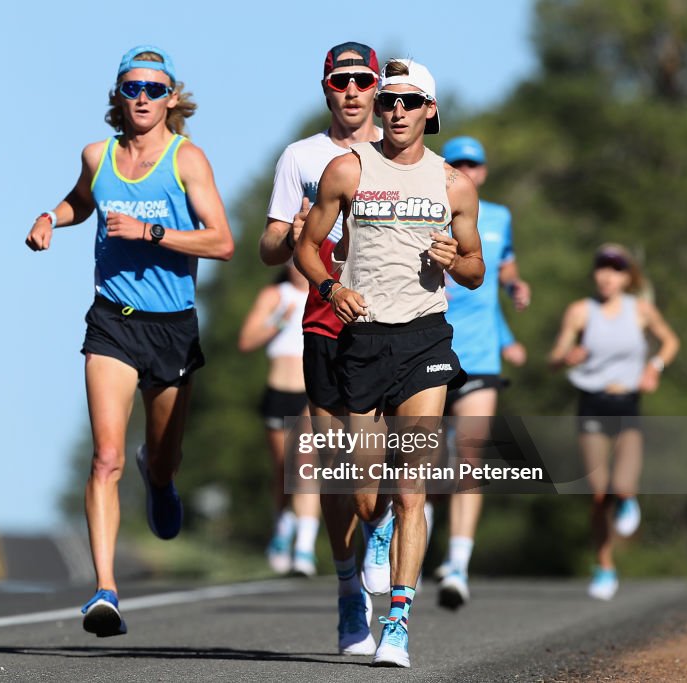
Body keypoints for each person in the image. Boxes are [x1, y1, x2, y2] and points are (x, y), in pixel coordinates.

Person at [25, 45, 233, 638]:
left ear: (171, 98)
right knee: (105, 457)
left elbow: (221, 242)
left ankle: (160, 476)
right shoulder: (99, 155)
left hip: (172, 325)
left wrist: (152, 232)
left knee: (161, 457)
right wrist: (49, 219)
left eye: (153, 89)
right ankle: (105, 590)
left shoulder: (187, 160)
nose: (142, 98)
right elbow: (80, 200)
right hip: (112, 320)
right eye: (132, 88)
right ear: (119, 96)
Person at [295, 58, 484, 668]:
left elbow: (476, 270)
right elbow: (305, 247)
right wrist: (330, 290)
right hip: (363, 338)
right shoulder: (347, 168)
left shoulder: (454, 184)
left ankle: (398, 621)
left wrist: (455, 261)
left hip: (426, 339)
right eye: (390, 102)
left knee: (413, 485)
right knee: (364, 486)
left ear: (430, 111)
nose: (397, 111)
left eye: (410, 102)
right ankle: (373, 527)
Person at [260, 41, 388, 656]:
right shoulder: (301, 157)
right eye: (342, 81)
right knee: (339, 469)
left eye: (363, 80)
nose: (353, 91)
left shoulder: (402, 154)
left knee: (380, 471)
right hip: (324, 320)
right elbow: (268, 247)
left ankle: (384, 531)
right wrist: (292, 229)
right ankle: (347, 592)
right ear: (327, 89)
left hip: (393, 324)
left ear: (378, 88)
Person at [430, 136, 531, 610]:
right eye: (458, 162)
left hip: (480, 356)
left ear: (485, 170)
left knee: (468, 457)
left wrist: (514, 288)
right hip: (427, 350)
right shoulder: (422, 207)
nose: (467, 169)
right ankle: (408, 557)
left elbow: (505, 266)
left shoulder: (500, 216)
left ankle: (458, 565)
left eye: (474, 163)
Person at [549, 244, 678, 600]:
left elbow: (670, 342)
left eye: (616, 268)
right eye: (602, 267)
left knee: (622, 485)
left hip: (628, 404)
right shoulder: (581, 311)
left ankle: (627, 499)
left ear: (627, 276)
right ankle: (604, 565)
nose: (607, 275)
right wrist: (566, 357)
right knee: (599, 492)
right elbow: (555, 356)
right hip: (592, 403)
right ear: (595, 273)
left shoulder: (641, 310)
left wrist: (654, 367)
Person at [237, 262, 318, 577]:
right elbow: (245, 341)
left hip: (310, 394)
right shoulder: (275, 294)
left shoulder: (325, 291)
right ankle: (283, 526)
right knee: (284, 469)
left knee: (306, 464)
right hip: (278, 391)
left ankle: (305, 549)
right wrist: (277, 322)